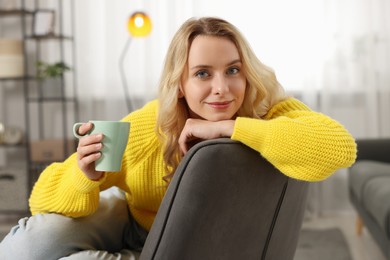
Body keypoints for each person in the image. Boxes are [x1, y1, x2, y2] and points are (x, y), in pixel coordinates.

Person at [0, 16, 357, 259]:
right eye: (203, 73)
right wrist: (84, 175)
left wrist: (230, 128)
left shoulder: (267, 111)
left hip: (193, 248)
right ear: (180, 86)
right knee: (26, 246)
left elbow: (340, 148)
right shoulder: (151, 125)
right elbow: (40, 199)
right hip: (132, 222)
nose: (221, 89)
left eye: (233, 70)